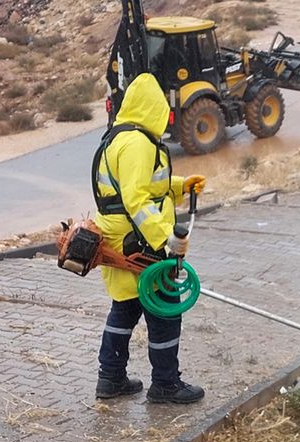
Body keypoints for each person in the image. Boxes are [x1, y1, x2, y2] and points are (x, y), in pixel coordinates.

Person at [93, 72, 207, 404]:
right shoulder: (139, 143)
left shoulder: (117, 137)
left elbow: (140, 187)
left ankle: (111, 379)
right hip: (139, 243)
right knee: (165, 310)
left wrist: (180, 185)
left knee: (125, 307)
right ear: (153, 109)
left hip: (119, 239)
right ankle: (166, 385)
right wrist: (165, 241)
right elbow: (137, 201)